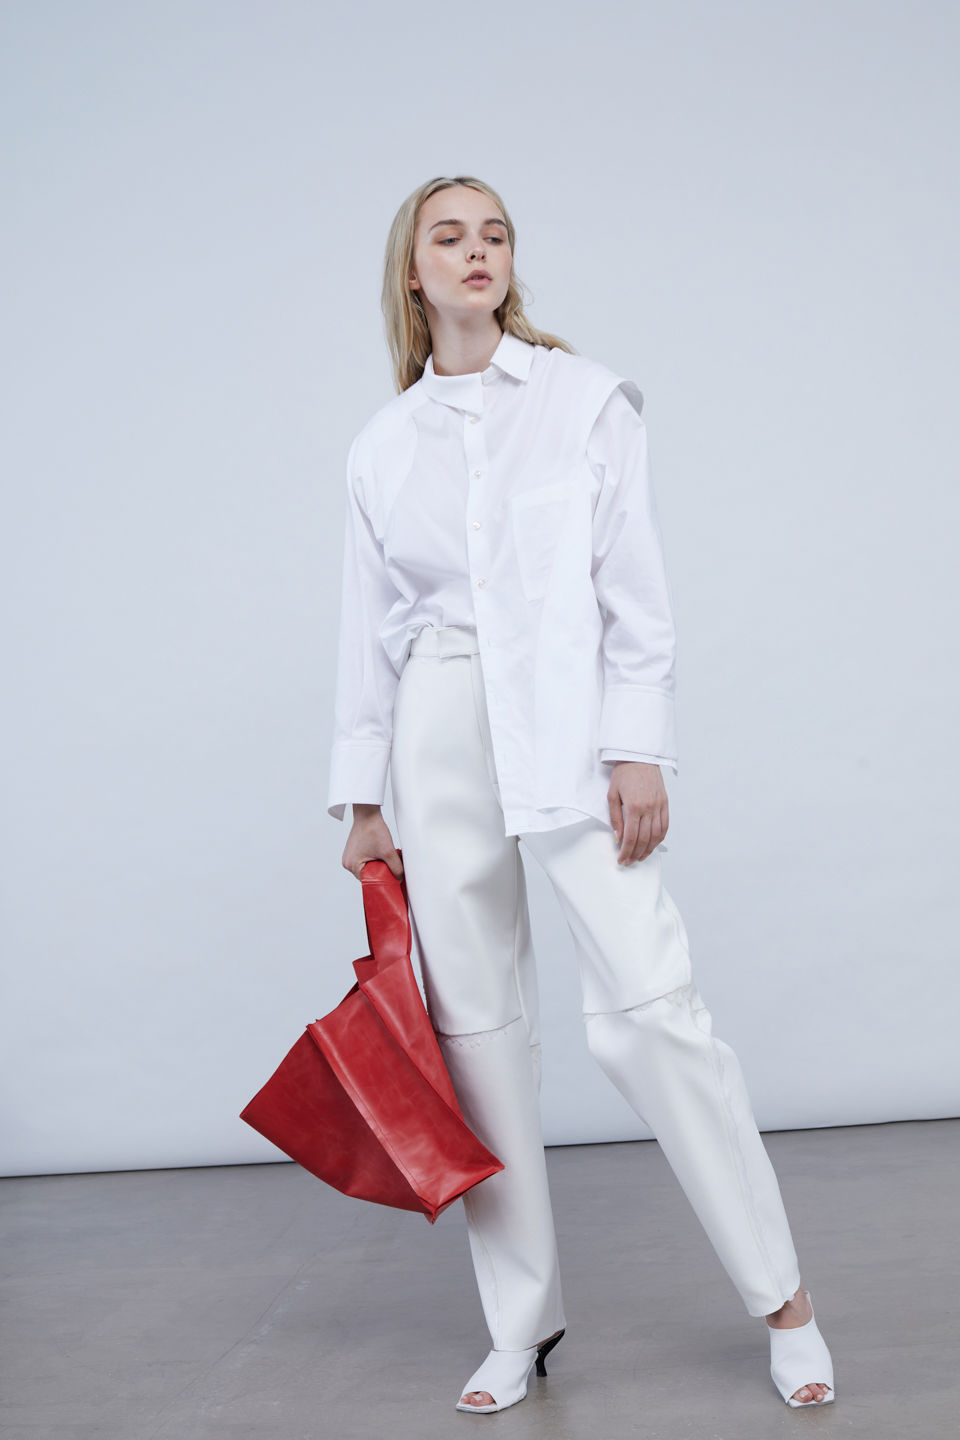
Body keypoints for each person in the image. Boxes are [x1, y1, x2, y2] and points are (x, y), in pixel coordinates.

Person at [326, 174, 835, 1415]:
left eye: (495, 234)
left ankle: (786, 1303)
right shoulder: (384, 447)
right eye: (450, 236)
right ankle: (521, 1323)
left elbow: (634, 592)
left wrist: (637, 748)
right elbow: (368, 630)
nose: (478, 251)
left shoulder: (585, 400)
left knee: (655, 1012)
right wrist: (361, 800)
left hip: (569, 729)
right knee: (478, 1036)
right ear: (412, 271)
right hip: (438, 730)